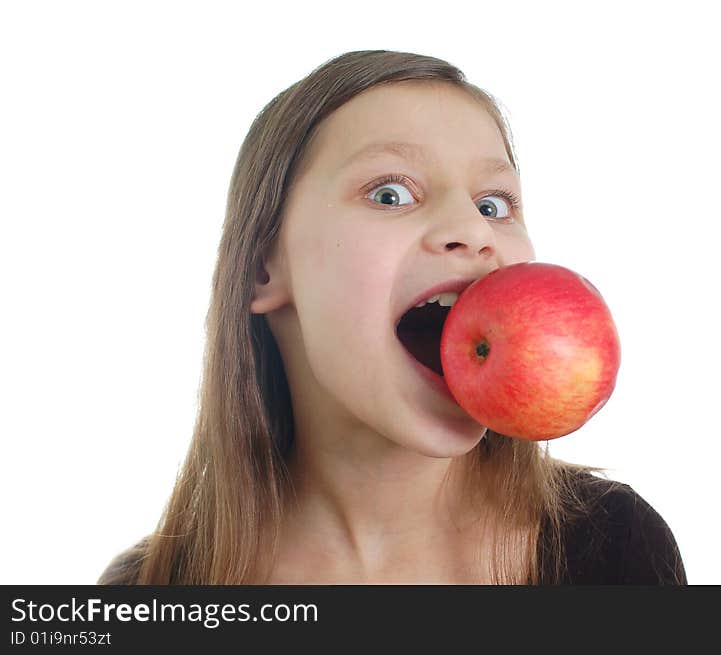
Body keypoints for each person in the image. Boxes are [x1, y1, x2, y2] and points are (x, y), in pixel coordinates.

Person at [98, 49, 687, 585]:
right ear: (261, 269)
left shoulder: (613, 546)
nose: (473, 230)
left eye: (493, 204)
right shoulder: (154, 588)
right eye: (390, 194)